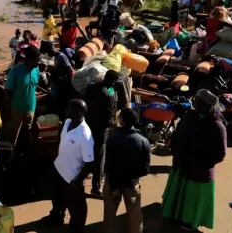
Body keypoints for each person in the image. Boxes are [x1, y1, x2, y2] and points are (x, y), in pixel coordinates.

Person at [162, 89, 227, 231]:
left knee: (191, 200)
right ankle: (173, 214)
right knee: (177, 193)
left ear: (207, 105)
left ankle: (189, 222)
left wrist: (200, 163)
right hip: (181, 164)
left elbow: (220, 154)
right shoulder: (190, 115)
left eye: (197, 102)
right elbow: (179, 131)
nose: (194, 104)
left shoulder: (217, 126)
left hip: (198, 172)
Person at [42, 100, 94, 233]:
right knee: (57, 199)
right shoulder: (67, 122)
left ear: (78, 113)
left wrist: (77, 180)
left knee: (77, 210)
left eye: (69, 108)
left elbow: (89, 164)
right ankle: (56, 217)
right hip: (58, 168)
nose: (66, 109)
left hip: (72, 177)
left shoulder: (85, 135)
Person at [103, 108, 151, 233]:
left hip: (113, 183)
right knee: (135, 215)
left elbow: (109, 165)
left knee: (110, 215)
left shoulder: (112, 138)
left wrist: (114, 186)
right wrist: (132, 177)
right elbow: (145, 170)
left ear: (122, 121)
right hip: (132, 184)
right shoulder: (144, 141)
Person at [85, 70, 116, 198]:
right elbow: (110, 120)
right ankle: (95, 188)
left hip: (87, 127)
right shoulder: (108, 96)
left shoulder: (91, 88)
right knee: (99, 158)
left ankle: (80, 179)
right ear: (112, 81)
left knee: (85, 153)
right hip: (100, 131)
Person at [4, 44, 41, 148]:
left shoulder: (36, 70)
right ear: (30, 59)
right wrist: (8, 112)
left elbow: (33, 87)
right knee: (13, 135)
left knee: (27, 131)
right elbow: (8, 92)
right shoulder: (15, 71)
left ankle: (23, 151)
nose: (38, 64)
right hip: (17, 110)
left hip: (31, 109)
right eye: (36, 61)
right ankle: (11, 154)